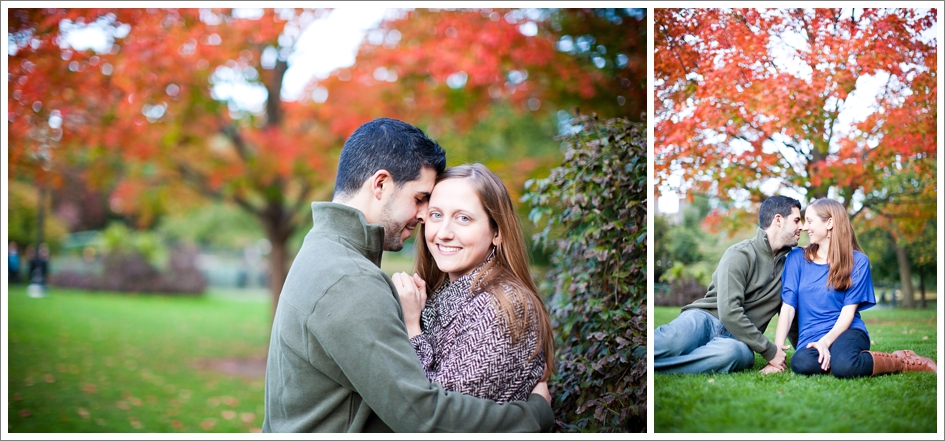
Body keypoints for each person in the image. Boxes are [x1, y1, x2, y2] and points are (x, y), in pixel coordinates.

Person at [262, 118, 553, 433]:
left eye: (463, 217)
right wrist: (534, 414)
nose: (425, 216)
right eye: (420, 199)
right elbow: (423, 417)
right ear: (381, 185)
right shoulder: (349, 280)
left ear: (496, 231)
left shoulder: (322, 250)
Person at [393, 164, 554, 403]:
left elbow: (435, 411)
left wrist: (411, 327)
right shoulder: (440, 293)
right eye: (436, 215)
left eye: (463, 218)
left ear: (497, 232)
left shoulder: (500, 306)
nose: (443, 232)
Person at [762, 198, 937, 377]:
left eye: (810, 221)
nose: (805, 227)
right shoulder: (796, 258)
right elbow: (788, 307)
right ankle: (835, 361)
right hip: (810, 338)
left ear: (829, 222)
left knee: (846, 365)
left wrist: (825, 342)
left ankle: (902, 360)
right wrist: (776, 353)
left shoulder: (858, 262)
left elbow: (848, 313)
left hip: (847, 331)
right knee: (801, 363)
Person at [654, 195, 802, 374]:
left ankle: (656, 369)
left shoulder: (789, 268)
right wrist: (770, 350)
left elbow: (790, 316)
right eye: (796, 220)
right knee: (671, 342)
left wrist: (809, 354)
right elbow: (729, 311)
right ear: (778, 220)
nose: (801, 227)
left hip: (738, 342)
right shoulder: (740, 254)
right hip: (705, 319)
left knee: (734, 354)